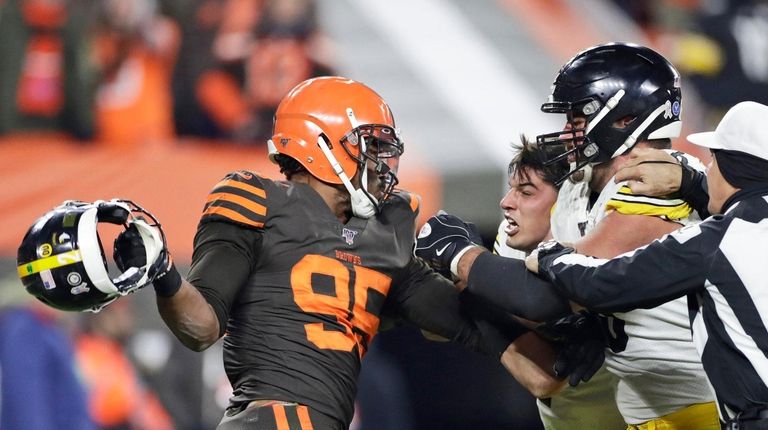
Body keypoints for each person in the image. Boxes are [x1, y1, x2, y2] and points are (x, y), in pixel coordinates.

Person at [109, 76, 516, 429]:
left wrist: (550, 308)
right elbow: (200, 327)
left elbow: (470, 321)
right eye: (369, 146)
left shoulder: (383, 237)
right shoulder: (259, 203)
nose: (381, 164)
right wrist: (163, 272)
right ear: (321, 144)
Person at [416, 43, 720, 429]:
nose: (567, 129)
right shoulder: (576, 186)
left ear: (625, 118)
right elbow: (451, 311)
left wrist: (458, 255)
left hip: (710, 405)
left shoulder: (664, 176)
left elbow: (553, 293)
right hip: (645, 414)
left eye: (578, 116)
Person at [528, 100, 768, 429]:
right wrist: (690, 183)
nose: (707, 170)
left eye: (713, 161)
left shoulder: (716, 241)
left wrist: (549, 255)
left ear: (732, 167)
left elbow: (606, 285)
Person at [494, 139, 625, 429]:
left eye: (526, 192)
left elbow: (544, 379)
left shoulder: (608, 239)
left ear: (567, 201)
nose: (507, 202)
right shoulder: (510, 244)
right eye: (512, 189)